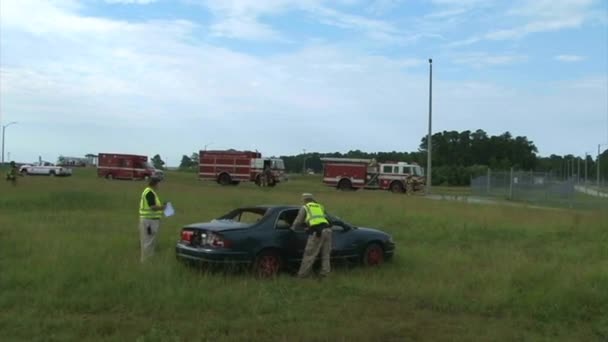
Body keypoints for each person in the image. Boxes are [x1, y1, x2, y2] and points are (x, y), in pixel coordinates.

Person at [291, 193, 332, 278]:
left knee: (309, 254)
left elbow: (298, 221)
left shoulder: (305, 207)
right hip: (328, 231)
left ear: (305, 200)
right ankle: (325, 273)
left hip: (317, 232)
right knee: (325, 254)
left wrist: (292, 228)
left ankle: (302, 275)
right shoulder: (320, 206)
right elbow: (328, 218)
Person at [138, 176, 166, 262]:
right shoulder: (149, 192)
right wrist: (163, 207)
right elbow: (153, 207)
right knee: (148, 242)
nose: (159, 185)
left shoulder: (151, 192)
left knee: (150, 241)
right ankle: (146, 261)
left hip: (150, 220)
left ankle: (148, 260)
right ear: (155, 184)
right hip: (149, 221)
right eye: (159, 183)